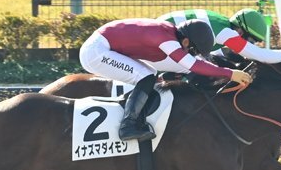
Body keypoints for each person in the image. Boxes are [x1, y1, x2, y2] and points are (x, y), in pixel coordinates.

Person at [79, 18, 253, 142]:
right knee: (146, 77)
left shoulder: (171, 35)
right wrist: (229, 73)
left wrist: (166, 77)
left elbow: (178, 63)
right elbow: (193, 65)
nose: (190, 53)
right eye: (191, 50)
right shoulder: (167, 40)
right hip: (96, 52)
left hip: (105, 46)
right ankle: (128, 126)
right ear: (185, 41)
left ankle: (133, 119)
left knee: (150, 76)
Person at [157, 8, 281, 64]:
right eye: (249, 39)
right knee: (196, 69)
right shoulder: (226, 33)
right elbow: (260, 55)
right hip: (160, 43)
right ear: (241, 31)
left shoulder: (220, 20)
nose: (248, 43)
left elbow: (215, 53)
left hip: (160, 34)